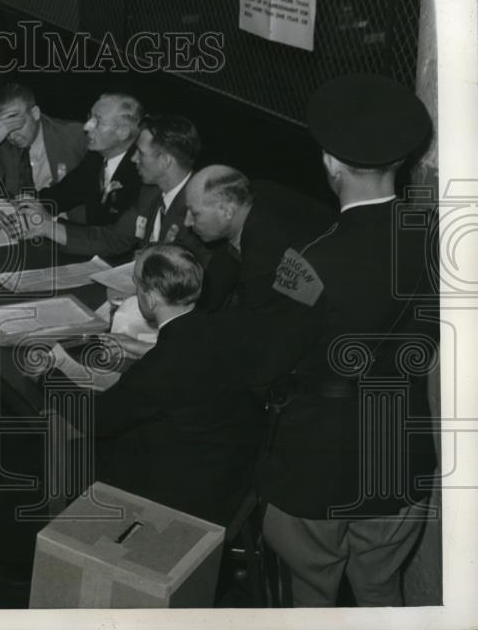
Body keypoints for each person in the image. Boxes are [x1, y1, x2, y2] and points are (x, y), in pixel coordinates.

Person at [254, 74, 437, 606]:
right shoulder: (437, 238)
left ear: (331, 164)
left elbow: (269, 360)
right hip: (400, 452)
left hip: (316, 463)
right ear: (399, 162)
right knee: (381, 589)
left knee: (311, 594)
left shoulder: (305, 261)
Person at [88, 243, 263, 526]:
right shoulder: (227, 326)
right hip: (234, 476)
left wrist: (49, 375)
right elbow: (193, 359)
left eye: (136, 284)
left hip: (183, 500)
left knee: (80, 449)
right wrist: (141, 348)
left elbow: (96, 419)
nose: (135, 291)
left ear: (153, 297)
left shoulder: (160, 368)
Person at [14, 112, 206, 264]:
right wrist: (47, 227)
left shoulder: (199, 208)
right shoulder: (150, 193)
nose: (133, 159)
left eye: (141, 153)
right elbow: (113, 239)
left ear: (165, 161)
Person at [183, 165, 335, 313]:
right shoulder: (247, 195)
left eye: (195, 214)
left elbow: (254, 320)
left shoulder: (264, 253)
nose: (187, 222)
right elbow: (216, 285)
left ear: (227, 211)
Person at [5, 92, 143, 227]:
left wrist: (50, 222)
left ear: (122, 132)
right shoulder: (95, 159)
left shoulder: (140, 174)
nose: (86, 126)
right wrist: (14, 210)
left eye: (97, 121)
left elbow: (110, 238)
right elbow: (60, 195)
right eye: (90, 117)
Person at [0, 82, 87, 197]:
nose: (12, 137)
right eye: (4, 128)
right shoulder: (1, 144)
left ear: (35, 113)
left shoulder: (74, 135)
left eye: (16, 125)